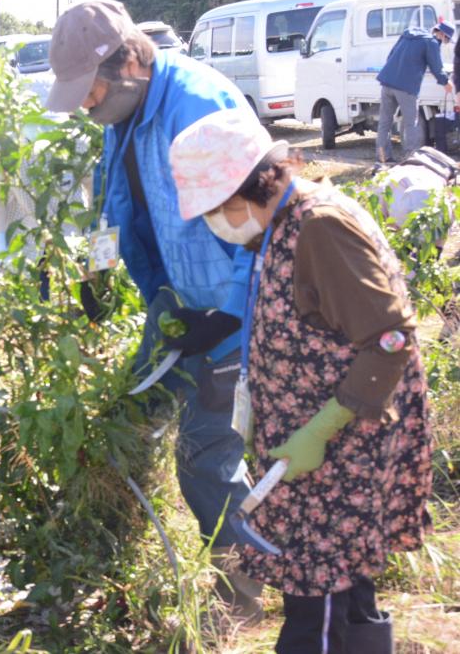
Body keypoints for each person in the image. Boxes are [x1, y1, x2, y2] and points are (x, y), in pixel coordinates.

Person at [170, 109, 432, 654]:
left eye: (217, 209)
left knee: (318, 602)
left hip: (342, 445)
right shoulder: (283, 223)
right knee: (341, 588)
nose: (218, 222)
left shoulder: (320, 227)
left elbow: (390, 338)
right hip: (313, 450)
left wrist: (324, 426)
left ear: (248, 187)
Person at [45, 0, 263, 620]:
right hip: (174, 304)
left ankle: (241, 593)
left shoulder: (198, 107)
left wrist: (226, 317)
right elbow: (110, 201)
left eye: (90, 94)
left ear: (132, 61)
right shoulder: (127, 115)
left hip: (230, 316)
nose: (87, 109)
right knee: (128, 415)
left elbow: (261, 225)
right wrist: (97, 268)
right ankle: (110, 546)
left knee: (205, 455)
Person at [376, 22, 454, 163]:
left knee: (384, 123)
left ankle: (383, 158)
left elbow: (391, 55)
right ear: (442, 34)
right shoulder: (431, 43)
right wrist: (446, 82)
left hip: (387, 82)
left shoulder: (408, 34)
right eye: (447, 39)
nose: (445, 42)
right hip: (406, 87)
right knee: (411, 123)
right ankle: (410, 158)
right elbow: (436, 67)